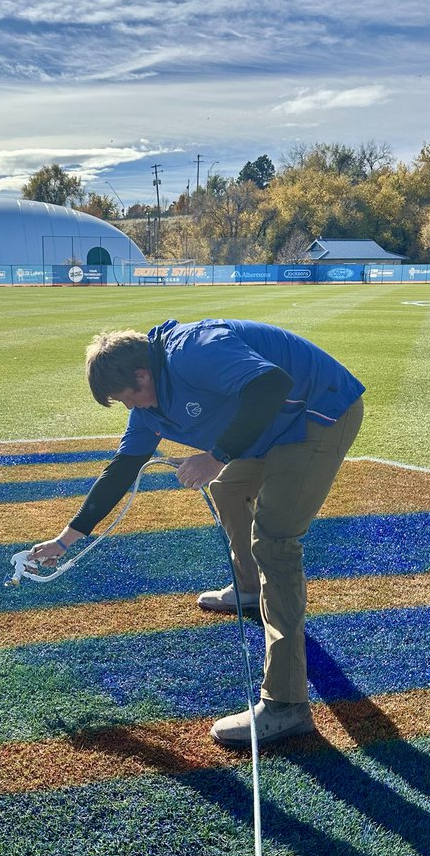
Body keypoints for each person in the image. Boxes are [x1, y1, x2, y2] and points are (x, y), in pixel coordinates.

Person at [28, 319, 364, 748]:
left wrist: (217, 455)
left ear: (143, 376)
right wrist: (65, 540)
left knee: (274, 542)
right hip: (273, 421)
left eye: (126, 396)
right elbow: (122, 470)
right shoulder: (147, 408)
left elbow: (271, 384)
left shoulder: (195, 349)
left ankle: (286, 705)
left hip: (319, 410)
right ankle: (248, 588)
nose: (129, 407)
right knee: (228, 488)